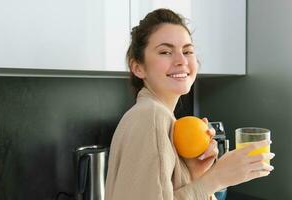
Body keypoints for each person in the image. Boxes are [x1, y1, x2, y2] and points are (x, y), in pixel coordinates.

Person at [105, 8, 275, 200]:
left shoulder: (161, 117)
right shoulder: (151, 116)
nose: (181, 60)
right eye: (165, 51)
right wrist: (216, 178)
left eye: (187, 51)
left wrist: (192, 173)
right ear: (138, 67)